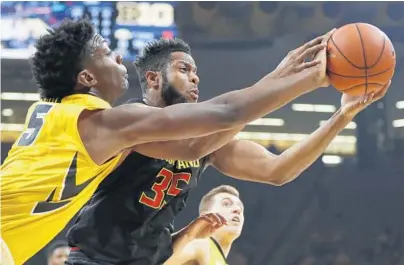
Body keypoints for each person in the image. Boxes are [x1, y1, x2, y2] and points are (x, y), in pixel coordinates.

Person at [0, 18, 331, 265]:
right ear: (87, 78)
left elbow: (200, 146)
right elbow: (221, 117)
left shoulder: (63, 115)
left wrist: (336, 112)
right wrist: (302, 78)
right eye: (106, 54)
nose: (118, 59)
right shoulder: (106, 121)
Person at [66, 25, 391, 265]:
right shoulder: (130, 121)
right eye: (184, 69)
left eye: (196, 72)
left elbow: (278, 170)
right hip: (95, 260)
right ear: (153, 79)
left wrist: (343, 115)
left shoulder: (208, 140)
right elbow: (195, 142)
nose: (195, 78)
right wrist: (278, 82)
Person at [164, 185, 243, 265]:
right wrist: (187, 235)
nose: (237, 209)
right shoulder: (201, 245)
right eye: (226, 204)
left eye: (240, 207)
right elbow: (156, 261)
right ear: (205, 215)